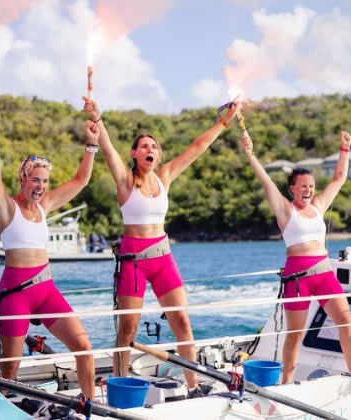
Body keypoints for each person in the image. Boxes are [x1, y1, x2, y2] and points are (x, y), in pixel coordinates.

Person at [83, 95, 240, 398]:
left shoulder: (165, 176)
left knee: (181, 320)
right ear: (134, 153)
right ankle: (119, 386)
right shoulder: (126, 181)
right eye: (144, 146)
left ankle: (193, 385)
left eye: (154, 146)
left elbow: (197, 147)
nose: (150, 150)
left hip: (163, 258)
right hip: (133, 262)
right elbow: (108, 149)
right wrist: (98, 118)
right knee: (127, 330)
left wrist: (224, 121)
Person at [0, 101, 98, 399]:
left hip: (47, 291)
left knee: (85, 347)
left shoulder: (45, 205)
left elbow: (82, 180)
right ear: (22, 178)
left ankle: (89, 410)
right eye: (35, 180)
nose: (40, 186)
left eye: (45, 181)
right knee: (10, 373)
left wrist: (91, 145)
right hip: (15, 296)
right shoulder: (6, 207)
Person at [241, 130, 351, 383]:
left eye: (311, 186)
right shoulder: (285, 210)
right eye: (303, 186)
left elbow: (339, 178)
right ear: (292, 188)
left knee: (347, 324)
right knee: (295, 334)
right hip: (298, 279)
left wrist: (345, 149)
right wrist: (251, 155)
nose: (308, 190)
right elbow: (266, 182)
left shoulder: (318, 207)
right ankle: (286, 384)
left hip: (325, 274)